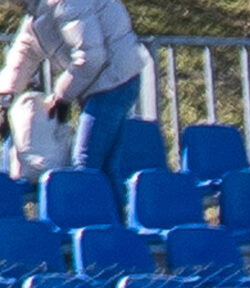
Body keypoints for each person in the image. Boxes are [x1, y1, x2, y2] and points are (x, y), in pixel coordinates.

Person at [0, 0, 144, 208]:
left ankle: (90, 220)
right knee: (105, 167)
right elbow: (23, 55)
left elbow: (91, 58)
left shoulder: (68, 4)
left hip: (114, 81)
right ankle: (115, 223)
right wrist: (4, 99)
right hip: (110, 81)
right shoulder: (40, 12)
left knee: (85, 162)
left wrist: (62, 96)